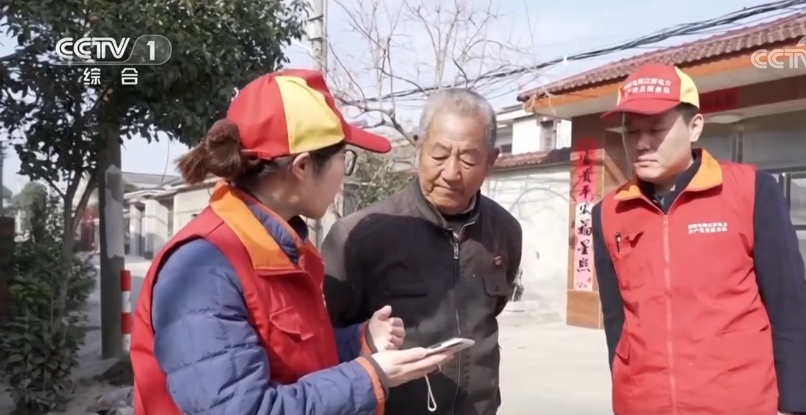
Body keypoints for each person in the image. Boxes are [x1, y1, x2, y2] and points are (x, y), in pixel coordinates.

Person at [129, 69, 453, 415]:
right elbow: (244, 409)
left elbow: (293, 358)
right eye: (344, 158)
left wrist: (362, 339)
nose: (343, 175)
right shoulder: (204, 270)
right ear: (302, 167)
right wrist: (369, 377)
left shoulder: (279, 249)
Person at [592, 63, 806, 415]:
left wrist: (796, 403)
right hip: (643, 403)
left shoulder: (751, 192)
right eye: (630, 131)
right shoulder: (609, 212)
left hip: (737, 402)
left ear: (694, 126)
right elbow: (615, 320)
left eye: (656, 129)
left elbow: (789, 305)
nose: (642, 144)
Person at [321, 88, 522, 415]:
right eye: (439, 155)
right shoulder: (360, 235)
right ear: (418, 147)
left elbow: (492, 311)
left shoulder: (504, 231)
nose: (451, 173)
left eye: (469, 159)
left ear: (491, 161)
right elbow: (321, 342)